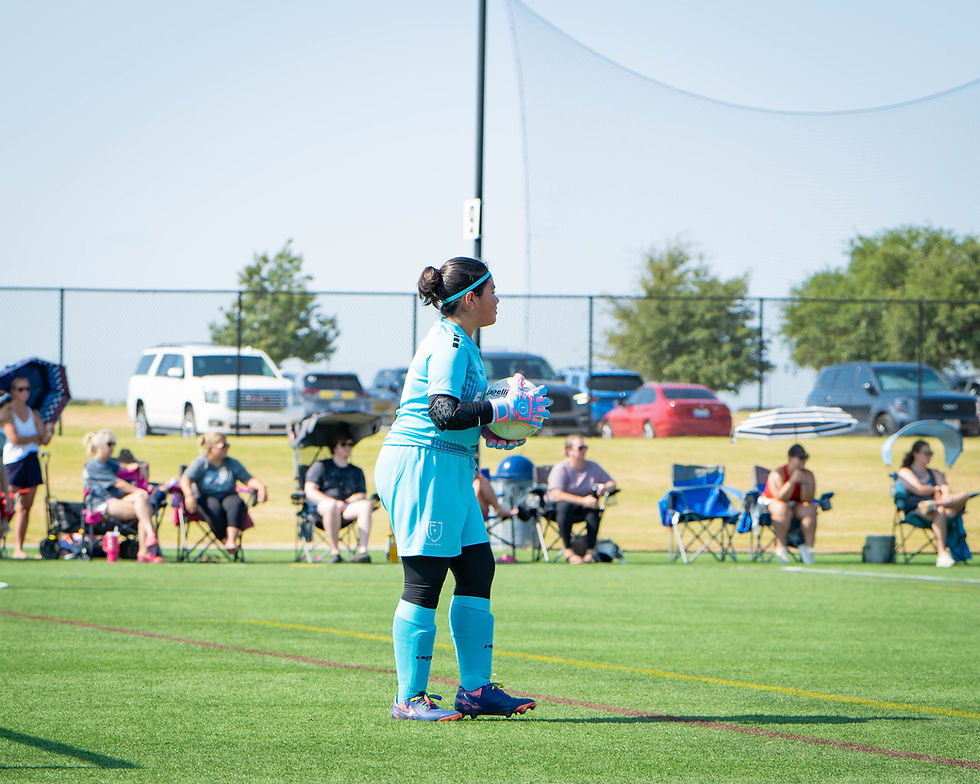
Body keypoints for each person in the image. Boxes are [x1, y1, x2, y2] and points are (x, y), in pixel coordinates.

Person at [374, 255, 550, 721]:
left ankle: (475, 692)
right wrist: (497, 411)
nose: (498, 300)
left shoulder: (465, 343)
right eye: (491, 291)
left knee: (476, 569)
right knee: (425, 579)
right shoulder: (451, 345)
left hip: (448, 465)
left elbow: (459, 418)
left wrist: (490, 425)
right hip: (421, 465)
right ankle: (408, 699)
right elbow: (443, 414)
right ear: (470, 299)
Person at [82, 429, 164, 563]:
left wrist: (138, 466)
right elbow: (118, 483)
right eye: (109, 444)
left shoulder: (108, 463)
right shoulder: (94, 465)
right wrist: (138, 490)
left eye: (114, 443)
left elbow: (123, 467)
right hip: (102, 504)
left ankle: (147, 544)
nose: (113, 447)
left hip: (116, 501)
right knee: (144, 508)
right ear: (99, 446)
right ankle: (146, 547)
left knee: (141, 502)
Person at [179, 432, 267, 555]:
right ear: (211, 448)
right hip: (206, 497)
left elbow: (248, 479)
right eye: (223, 446)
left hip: (228, 495)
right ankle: (224, 540)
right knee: (212, 506)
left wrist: (261, 487)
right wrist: (189, 495)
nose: (227, 449)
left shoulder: (231, 463)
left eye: (227, 445)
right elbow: (185, 479)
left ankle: (231, 540)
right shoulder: (201, 463)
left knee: (235, 503)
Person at [897, 439, 974, 568]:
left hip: (941, 507)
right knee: (940, 510)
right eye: (926, 453)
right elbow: (919, 490)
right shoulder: (905, 472)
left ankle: (938, 504)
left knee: (963, 496)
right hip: (918, 510)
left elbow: (946, 490)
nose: (929, 456)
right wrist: (936, 489)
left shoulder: (935, 473)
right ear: (916, 454)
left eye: (931, 453)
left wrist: (942, 495)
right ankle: (942, 553)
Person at [2, 377, 55, 559]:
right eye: (20, 389)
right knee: (7, 504)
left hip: (32, 460)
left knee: (26, 506)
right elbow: (15, 438)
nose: (25, 393)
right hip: (14, 462)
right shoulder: (7, 413)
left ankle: (18, 547)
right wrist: (35, 437)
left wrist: (49, 430)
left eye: (27, 389)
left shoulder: (33, 413)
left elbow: (43, 439)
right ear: (12, 391)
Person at [303, 425, 373, 564]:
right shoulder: (321, 466)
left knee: (365, 505)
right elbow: (310, 490)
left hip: (348, 509)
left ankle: (362, 551)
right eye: (343, 444)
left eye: (350, 444)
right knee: (330, 506)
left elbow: (362, 493)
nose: (348, 447)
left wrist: (357, 498)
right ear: (334, 446)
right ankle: (335, 552)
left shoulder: (356, 471)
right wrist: (332, 502)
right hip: (322, 510)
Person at [546, 434, 616, 564]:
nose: (584, 450)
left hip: (583, 509)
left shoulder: (593, 467)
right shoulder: (561, 468)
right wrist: (583, 500)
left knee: (593, 509)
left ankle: (590, 551)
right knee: (564, 506)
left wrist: (605, 488)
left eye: (585, 447)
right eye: (580, 448)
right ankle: (568, 551)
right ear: (569, 451)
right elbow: (556, 494)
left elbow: (612, 483)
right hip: (560, 511)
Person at [761, 443, 818, 565]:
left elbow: (807, 498)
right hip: (775, 505)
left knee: (810, 508)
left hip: (796, 505)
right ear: (791, 458)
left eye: (805, 458)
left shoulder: (807, 475)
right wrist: (792, 481)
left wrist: (804, 484)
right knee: (782, 508)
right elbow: (780, 497)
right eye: (800, 458)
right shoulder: (778, 474)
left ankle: (807, 548)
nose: (803, 461)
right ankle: (781, 548)